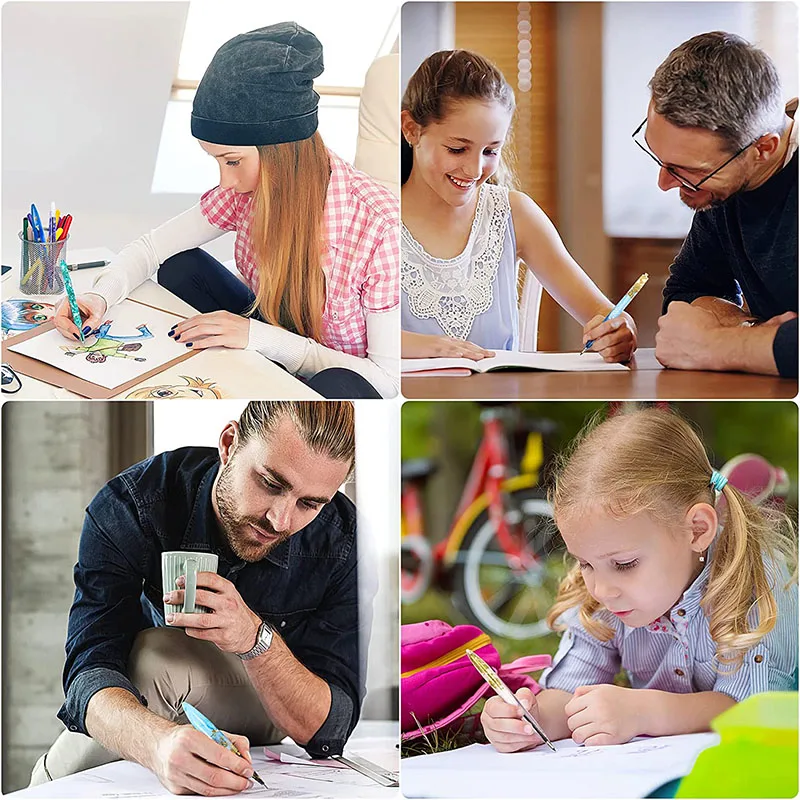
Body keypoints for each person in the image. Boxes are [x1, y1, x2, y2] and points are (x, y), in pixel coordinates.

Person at [30, 401, 366, 795]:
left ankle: (41, 788)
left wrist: (254, 639)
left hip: (278, 700)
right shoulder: (135, 505)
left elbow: (329, 729)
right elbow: (89, 671)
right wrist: (158, 745)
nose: (281, 520)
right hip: (153, 698)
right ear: (229, 443)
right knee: (149, 662)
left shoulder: (343, 539)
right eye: (271, 484)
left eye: (310, 504)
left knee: (157, 659)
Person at [52, 23, 399, 399]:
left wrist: (261, 339)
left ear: (281, 150)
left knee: (342, 385)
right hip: (267, 333)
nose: (225, 181)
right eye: (217, 161)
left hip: (327, 369)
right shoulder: (245, 190)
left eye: (232, 161)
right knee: (181, 266)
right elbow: (151, 249)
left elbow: (386, 379)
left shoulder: (380, 229)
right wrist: (100, 296)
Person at [481, 408, 797, 751]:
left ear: (697, 530)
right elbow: (570, 694)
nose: (601, 590)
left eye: (625, 563)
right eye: (584, 563)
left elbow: (752, 708)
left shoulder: (754, 583)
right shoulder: (605, 597)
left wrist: (645, 711)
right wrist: (530, 719)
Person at [400, 50, 637, 363]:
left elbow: (608, 316)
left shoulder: (515, 214)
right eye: (457, 149)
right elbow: (349, 334)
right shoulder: (375, 217)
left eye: (490, 151)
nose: (474, 170)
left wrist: (620, 331)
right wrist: (428, 348)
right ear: (411, 129)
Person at [646, 32, 798, 379]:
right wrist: (756, 336)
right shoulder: (722, 188)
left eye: (687, 170)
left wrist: (714, 345)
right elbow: (685, 295)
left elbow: (694, 332)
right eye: (660, 159)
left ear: (764, 149)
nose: (665, 183)